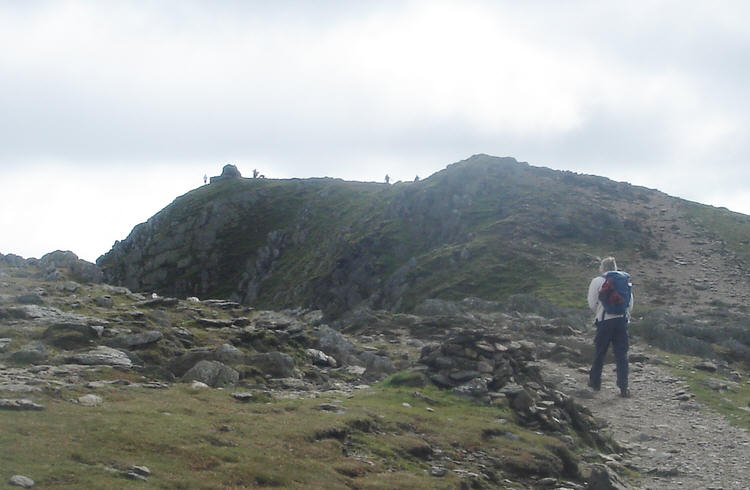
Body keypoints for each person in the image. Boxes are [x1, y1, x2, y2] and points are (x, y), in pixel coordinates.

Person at [587, 256, 633, 397]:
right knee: (621, 354)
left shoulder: (597, 281)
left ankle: (595, 383)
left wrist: (600, 312)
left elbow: (592, 302)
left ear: (603, 268)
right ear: (615, 266)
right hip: (621, 321)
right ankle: (623, 386)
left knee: (600, 352)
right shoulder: (624, 281)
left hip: (604, 320)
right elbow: (630, 304)